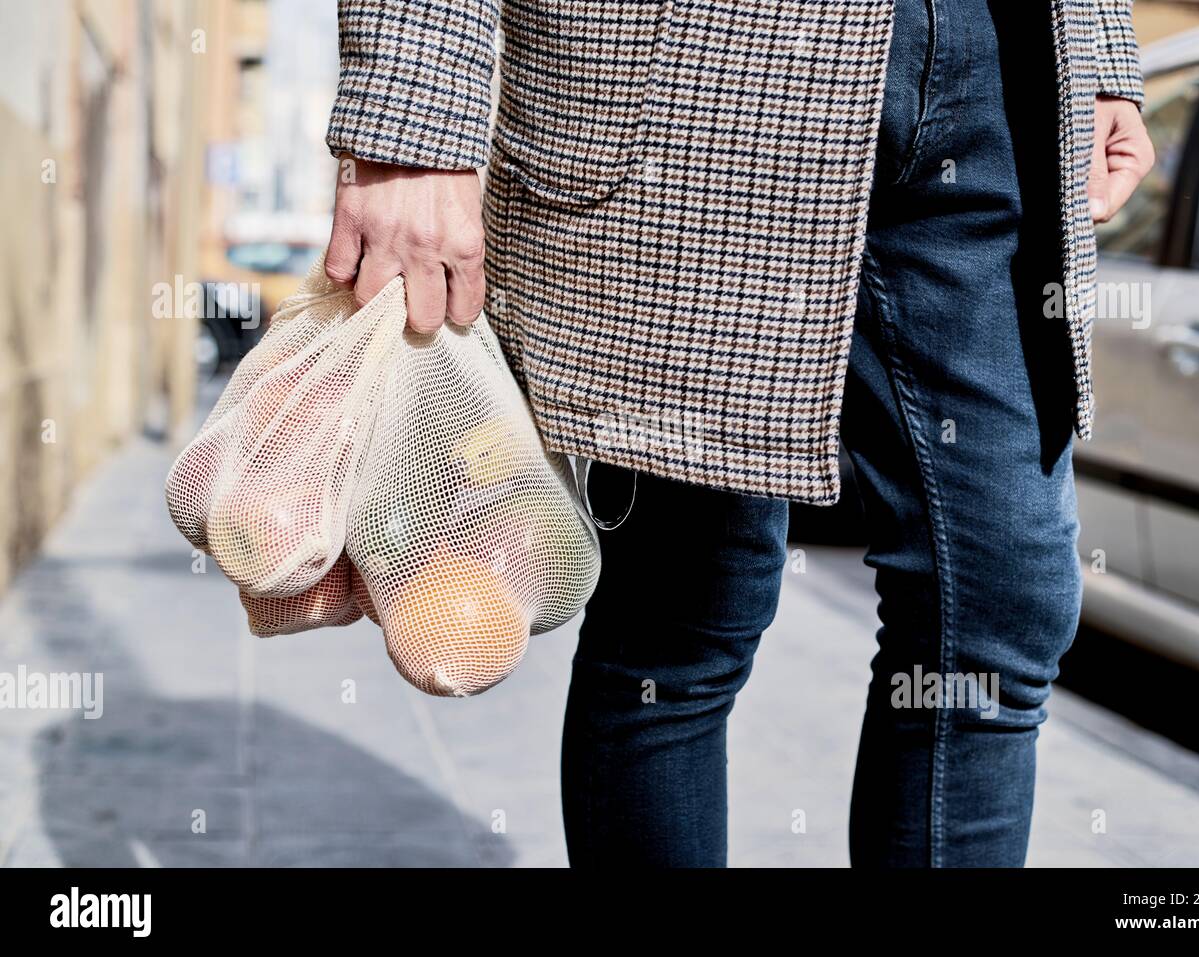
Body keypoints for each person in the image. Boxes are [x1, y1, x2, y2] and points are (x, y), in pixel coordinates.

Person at [323, 0, 1155, 867]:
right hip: (707, 68)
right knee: (682, 611)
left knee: (996, 604)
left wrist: (1100, 48)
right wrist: (412, 112)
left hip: (1000, 64)